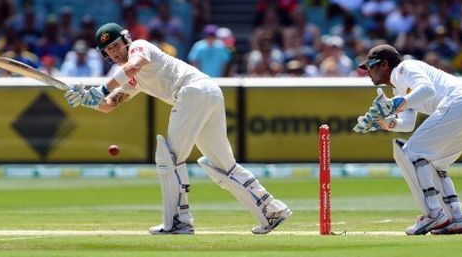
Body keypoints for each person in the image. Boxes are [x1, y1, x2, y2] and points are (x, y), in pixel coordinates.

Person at [63, 22, 291, 235]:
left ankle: (178, 221)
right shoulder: (132, 81)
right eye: (108, 50)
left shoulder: (139, 48)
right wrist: (86, 99)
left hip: (193, 91)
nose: (114, 52)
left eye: (116, 45)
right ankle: (272, 211)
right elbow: (109, 105)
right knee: (223, 165)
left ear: (126, 40)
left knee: (168, 158)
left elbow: (133, 67)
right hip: (207, 93)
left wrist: (100, 89)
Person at [353, 44, 462, 235]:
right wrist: (382, 123)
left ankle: (433, 213)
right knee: (436, 164)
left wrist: (393, 105)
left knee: (411, 152)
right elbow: (407, 123)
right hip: (457, 109)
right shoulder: (399, 88)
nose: (368, 72)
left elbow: (427, 90)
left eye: (370, 66)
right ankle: (456, 217)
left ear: (385, 64)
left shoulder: (405, 68)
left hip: (458, 102)